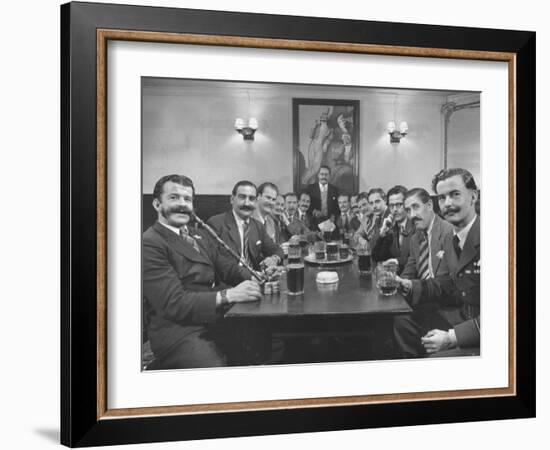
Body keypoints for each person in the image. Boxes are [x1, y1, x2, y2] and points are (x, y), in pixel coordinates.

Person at [142, 174, 262, 369]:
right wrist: (228, 294)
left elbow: (225, 266)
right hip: (179, 330)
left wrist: (256, 277)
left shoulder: (197, 234)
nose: (182, 204)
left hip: (214, 318)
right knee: (216, 368)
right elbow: (175, 303)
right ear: (157, 204)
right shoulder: (150, 243)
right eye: (174, 197)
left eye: (187, 199)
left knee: (262, 340)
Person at [393, 168, 480, 358]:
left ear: (473, 197)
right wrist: (409, 285)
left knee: (435, 359)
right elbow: (447, 282)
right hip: (458, 315)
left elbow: (506, 316)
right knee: (401, 322)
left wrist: (452, 337)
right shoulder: (453, 237)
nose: (447, 203)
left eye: (455, 195)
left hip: (481, 331)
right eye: (442, 198)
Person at [207, 180, 283, 271]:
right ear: (232, 199)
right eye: (242, 197)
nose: (247, 203)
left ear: (255, 201)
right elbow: (218, 263)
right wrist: (249, 276)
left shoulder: (257, 226)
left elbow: (276, 249)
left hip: (257, 277)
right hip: (231, 282)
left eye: (251, 199)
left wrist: (274, 259)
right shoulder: (216, 223)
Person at [400, 187, 454, 281]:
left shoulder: (449, 232)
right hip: (421, 290)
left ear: (429, 205)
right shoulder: (415, 239)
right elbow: (410, 269)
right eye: (408, 210)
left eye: (416, 207)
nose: (412, 215)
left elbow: (450, 280)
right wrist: (400, 282)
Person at [372, 185, 415, 270]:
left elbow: (417, 259)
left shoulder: (416, 225)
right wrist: (382, 234)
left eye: (399, 205)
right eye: (391, 205)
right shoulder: (391, 228)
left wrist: (397, 261)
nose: (395, 209)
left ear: (407, 204)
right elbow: (377, 257)